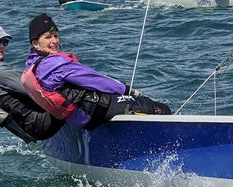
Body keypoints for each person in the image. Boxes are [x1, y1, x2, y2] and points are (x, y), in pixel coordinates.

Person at [21, 13, 171, 130]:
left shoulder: (32, 65)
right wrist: (127, 90)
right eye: (48, 37)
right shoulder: (55, 63)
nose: (54, 41)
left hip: (76, 119)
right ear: (35, 43)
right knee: (158, 108)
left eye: (56, 35)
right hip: (93, 111)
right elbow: (95, 80)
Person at [0, 23, 65, 143]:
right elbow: (37, 88)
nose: (1, 46)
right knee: (74, 93)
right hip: (40, 125)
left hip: (28, 131)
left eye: (4, 42)